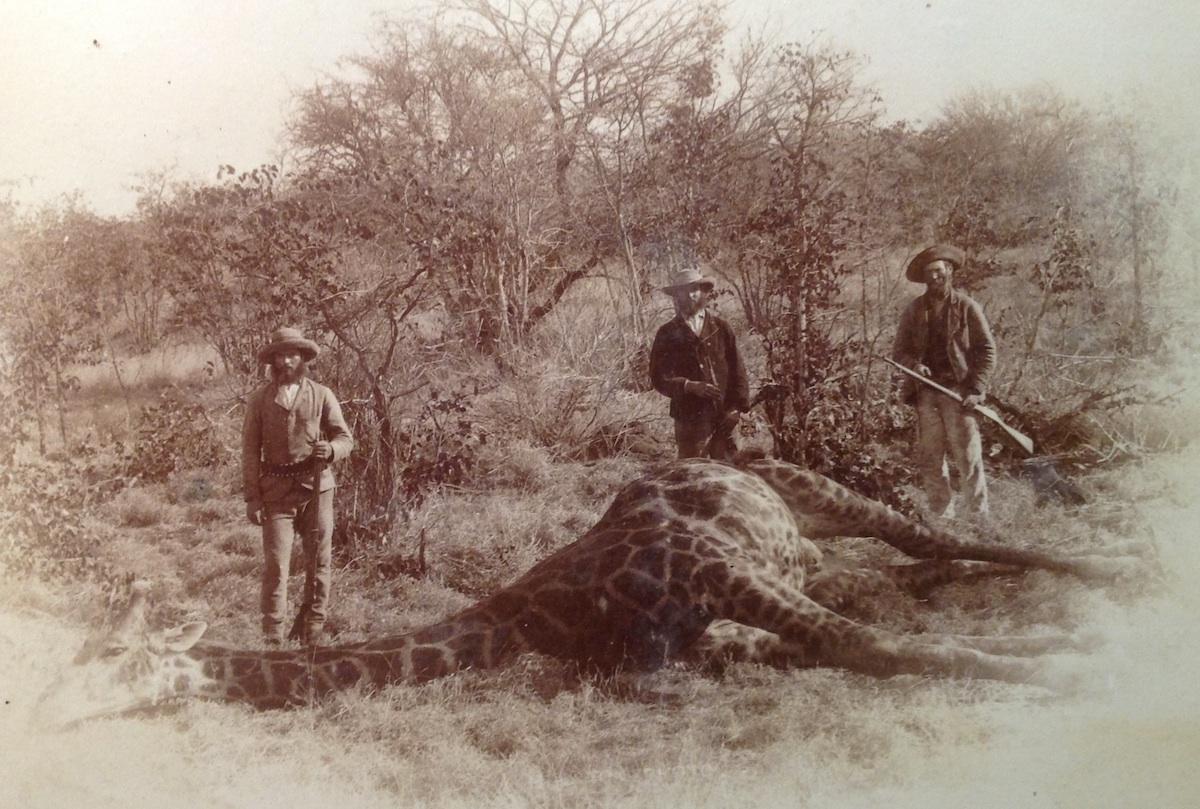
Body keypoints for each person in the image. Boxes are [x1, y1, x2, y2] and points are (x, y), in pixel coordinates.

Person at [242, 327, 353, 646]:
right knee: (276, 565)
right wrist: (252, 497)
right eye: (281, 354)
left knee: (319, 560)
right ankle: (273, 636)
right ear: (273, 360)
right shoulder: (260, 399)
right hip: (275, 493)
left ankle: (313, 629)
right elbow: (250, 451)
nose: (287, 360)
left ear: (303, 358)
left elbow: (345, 438)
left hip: (316, 490)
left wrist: (330, 450)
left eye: (293, 354)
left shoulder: (322, 394)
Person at [892, 245, 996, 519]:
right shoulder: (914, 311)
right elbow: (899, 351)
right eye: (929, 274)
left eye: (939, 271)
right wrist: (915, 365)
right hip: (926, 395)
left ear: (949, 271)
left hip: (958, 393)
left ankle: (978, 518)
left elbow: (987, 350)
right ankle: (942, 518)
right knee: (931, 459)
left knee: (968, 458)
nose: (935, 278)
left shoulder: (966, 307)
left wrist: (976, 389)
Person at [649, 267, 750, 460]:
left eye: (693, 290)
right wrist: (688, 386)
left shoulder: (721, 327)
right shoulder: (667, 333)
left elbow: (738, 370)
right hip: (690, 419)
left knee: (731, 475)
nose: (688, 296)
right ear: (675, 296)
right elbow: (658, 377)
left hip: (725, 415)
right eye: (681, 291)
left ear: (703, 292)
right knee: (694, 475)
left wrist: (737, 408)